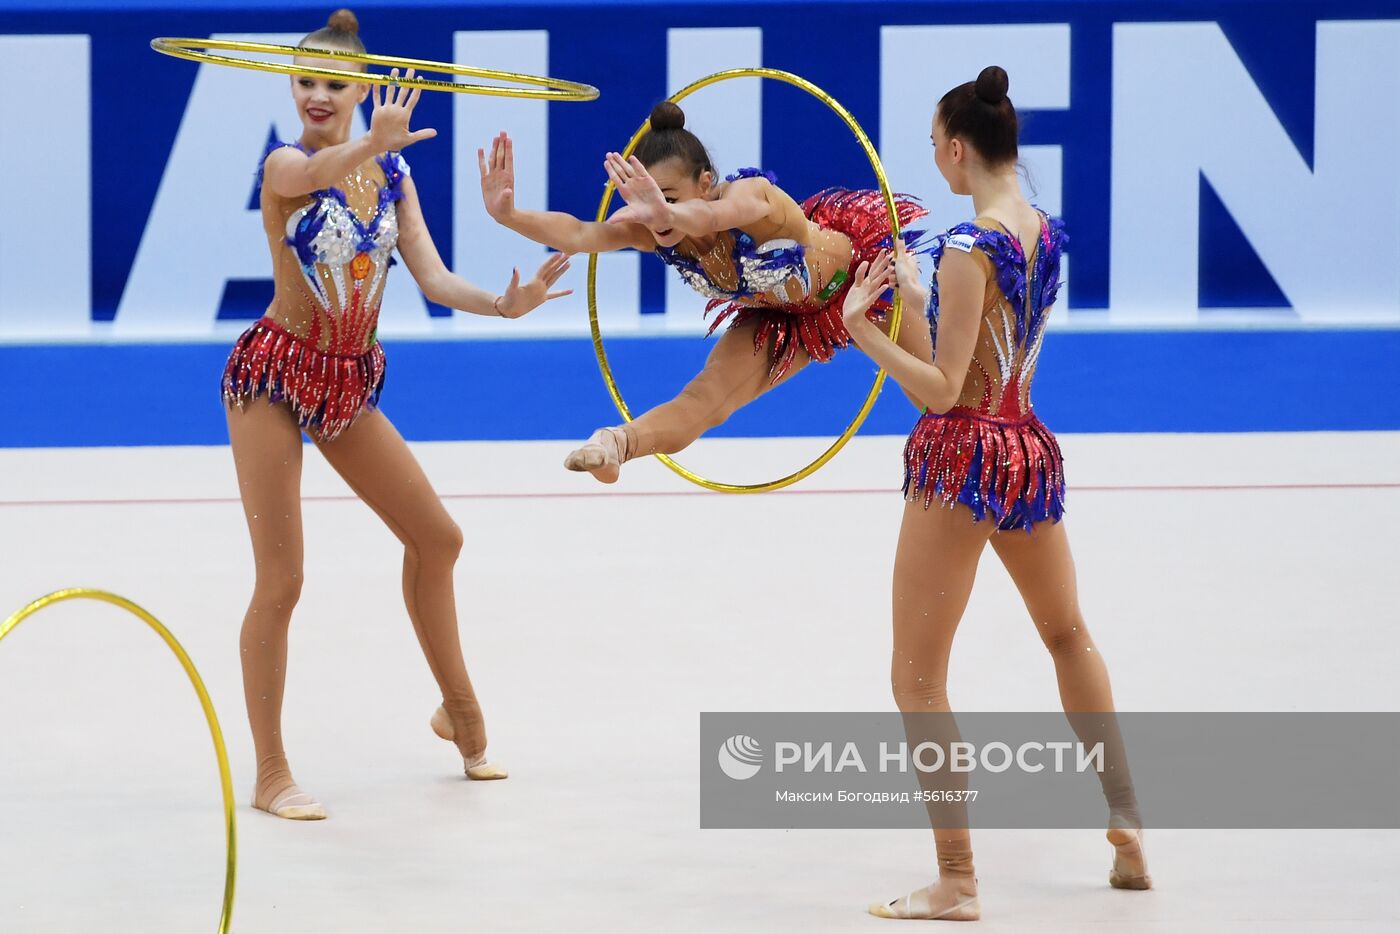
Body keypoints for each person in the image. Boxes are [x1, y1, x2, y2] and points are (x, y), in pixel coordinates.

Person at [224, 8, 572, 820]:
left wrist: (504, 304)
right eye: (305, 81)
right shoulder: (286, 163)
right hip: (275, 375)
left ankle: (459, 712)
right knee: (283, 577)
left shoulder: (392, 174)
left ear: (362, 89)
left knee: (438, 538)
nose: (316, 95)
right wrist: (368, 144)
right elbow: (312, 173)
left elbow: (435, 279)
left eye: (333, 83)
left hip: (345, 382)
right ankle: (271, 771)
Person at [837, 65, 1150, 919]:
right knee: (1068, 634)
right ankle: (1126, 820)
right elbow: (982, 355)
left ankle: (957, 879)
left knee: (917, 681)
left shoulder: (968, 246)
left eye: (934, 146)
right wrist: (914, 301)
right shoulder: (1042, 230)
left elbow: (943, 392)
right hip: (1026, 454)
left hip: (963, 462)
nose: (934, 158)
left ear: (955, 149)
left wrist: (863, 329)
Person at [477, 102, 927, 482]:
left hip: (869, 284)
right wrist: (510, 216)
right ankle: (614, 443)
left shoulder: (755, 198)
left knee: (936, 400)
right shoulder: (653, 226)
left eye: (668, 197)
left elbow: (713, 218)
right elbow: (580, 233)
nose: (653, 214)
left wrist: (668, 214)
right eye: (640, 201)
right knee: (705, 400)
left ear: (706, 183)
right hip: (783, 319)